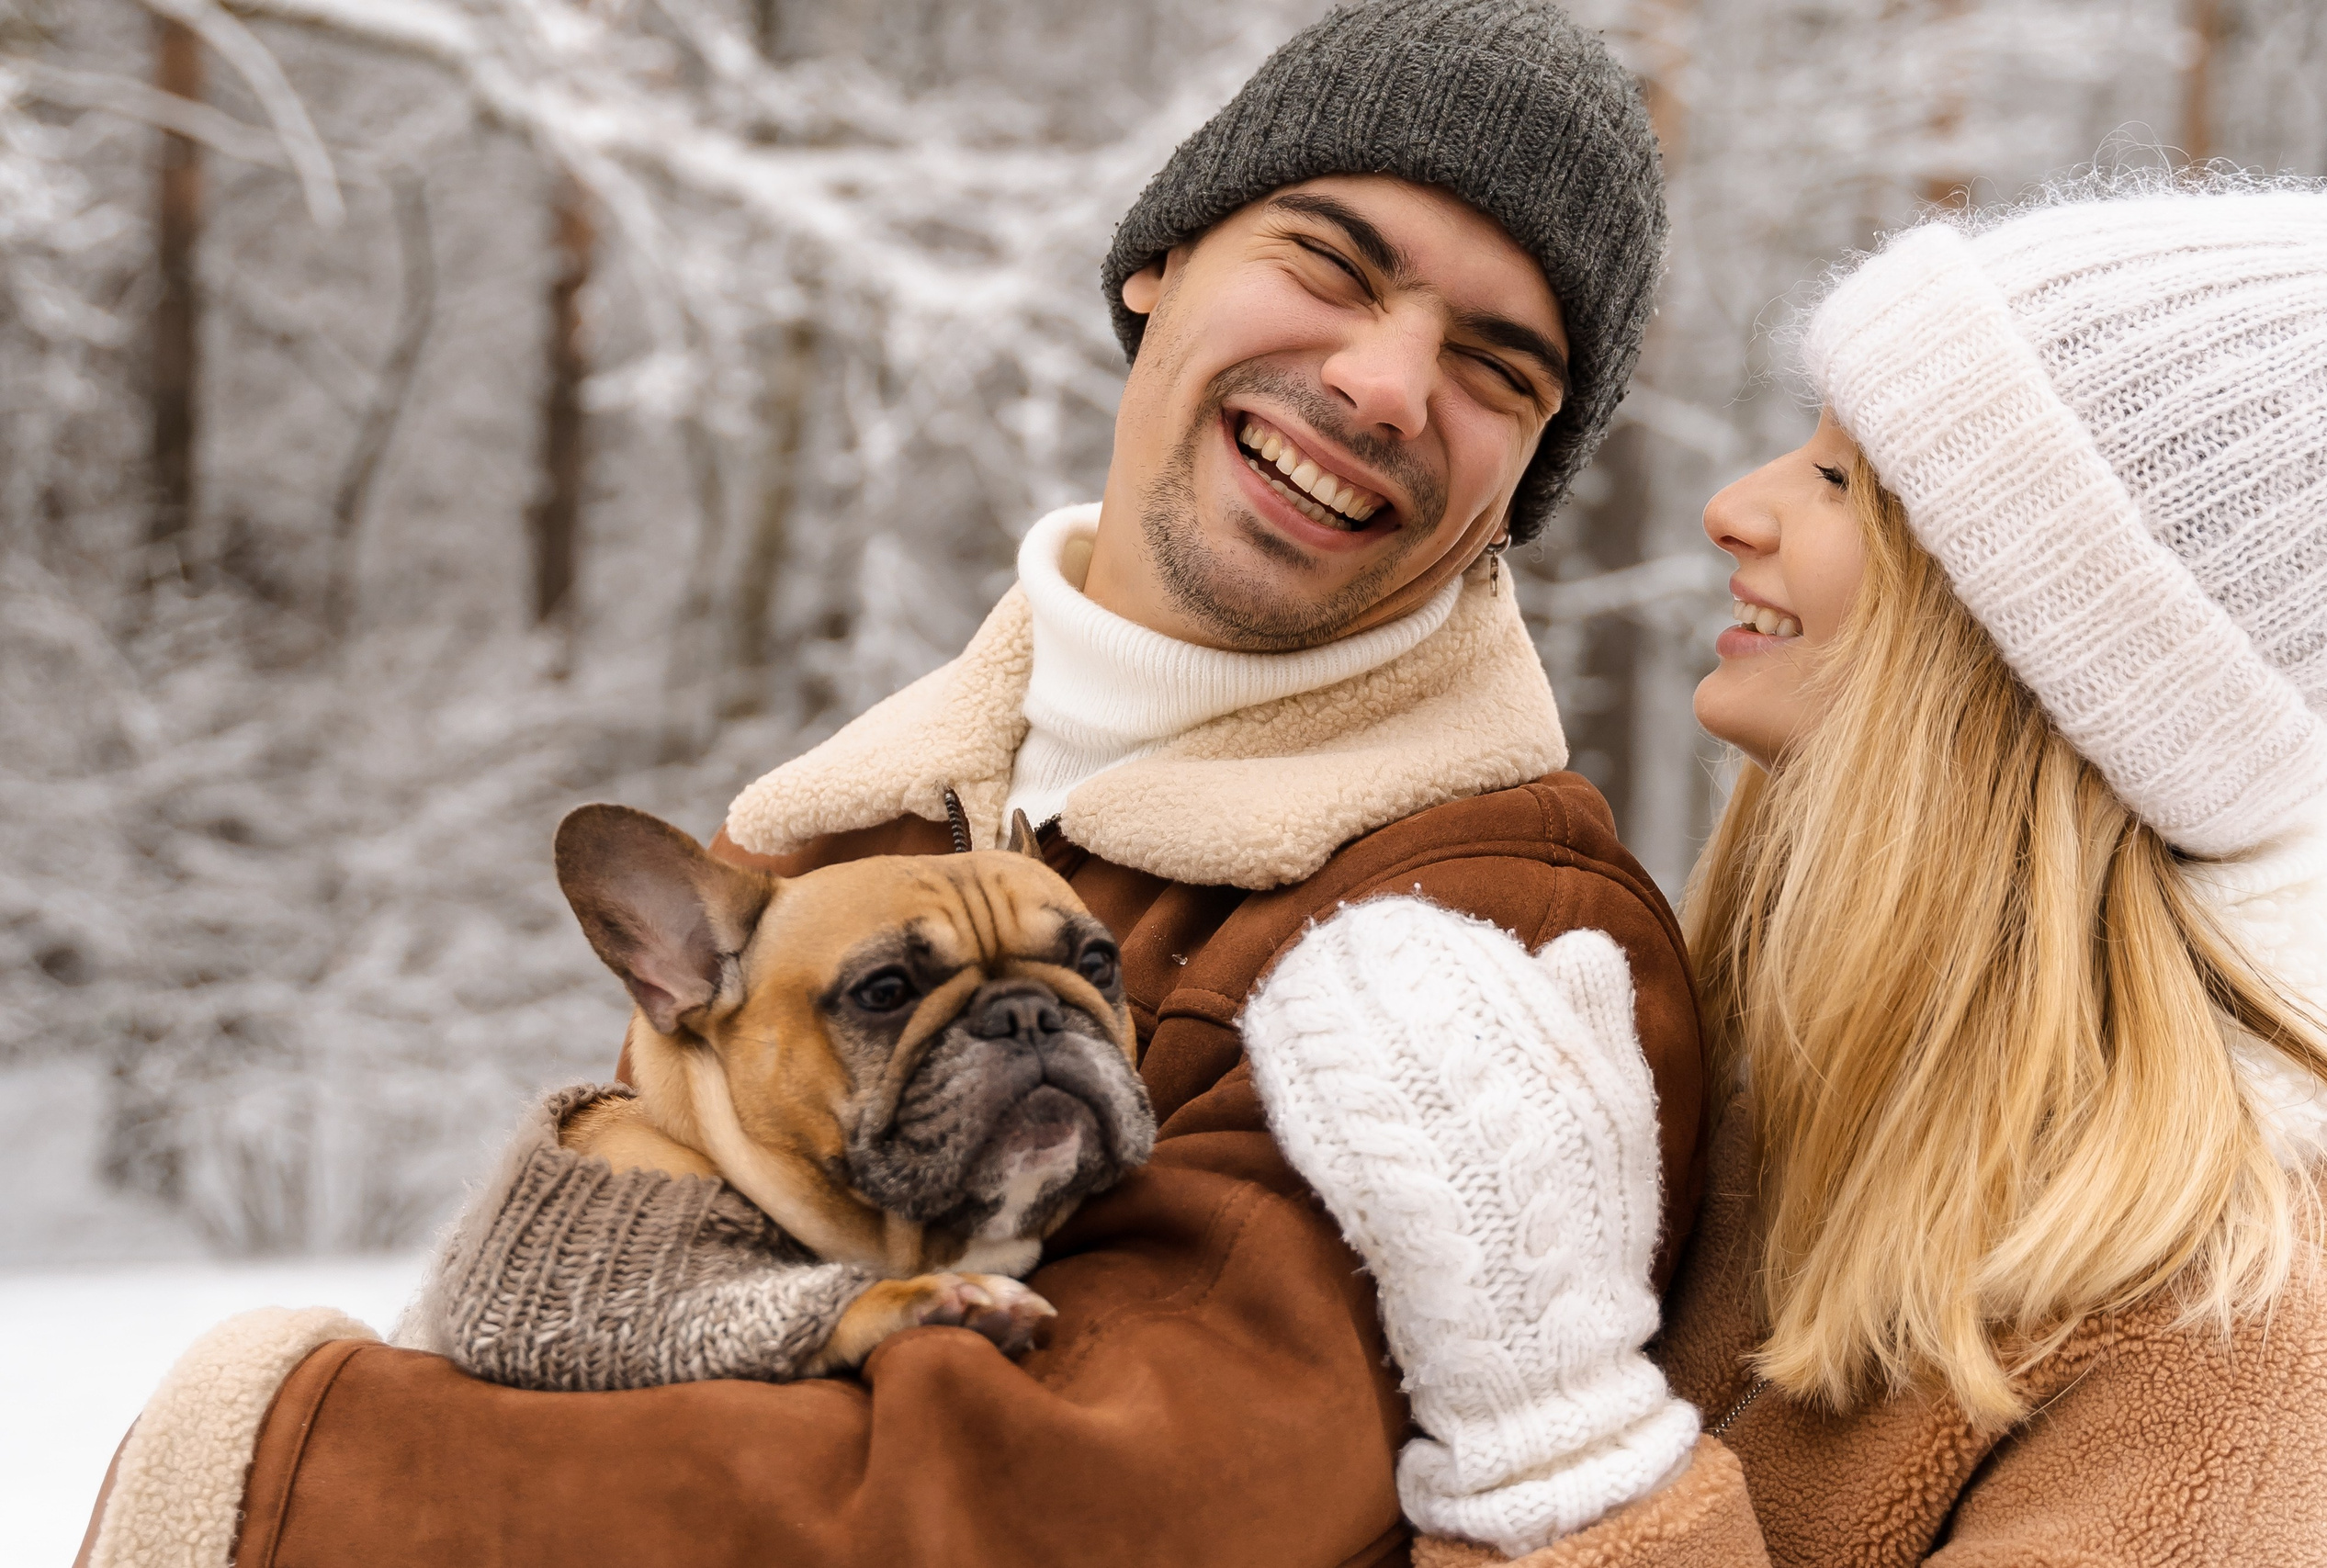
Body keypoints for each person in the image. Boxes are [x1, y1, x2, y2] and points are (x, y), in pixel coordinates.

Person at [75, 5, 1711, 1566]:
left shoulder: (1487, 927)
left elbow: (1095, 1508)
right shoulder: (832, 831)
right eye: (1330, 266)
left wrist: (273, 1469)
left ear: (1527, 481)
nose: (1384, 385)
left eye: (1500, 369)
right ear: (1156, 262)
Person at [1250, 177, 2327, 1567]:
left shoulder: (2231, 1365)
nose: (1734, 508)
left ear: (2029, 652)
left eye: (1839, 483)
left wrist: (1563, 1437)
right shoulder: (1774, 1070)